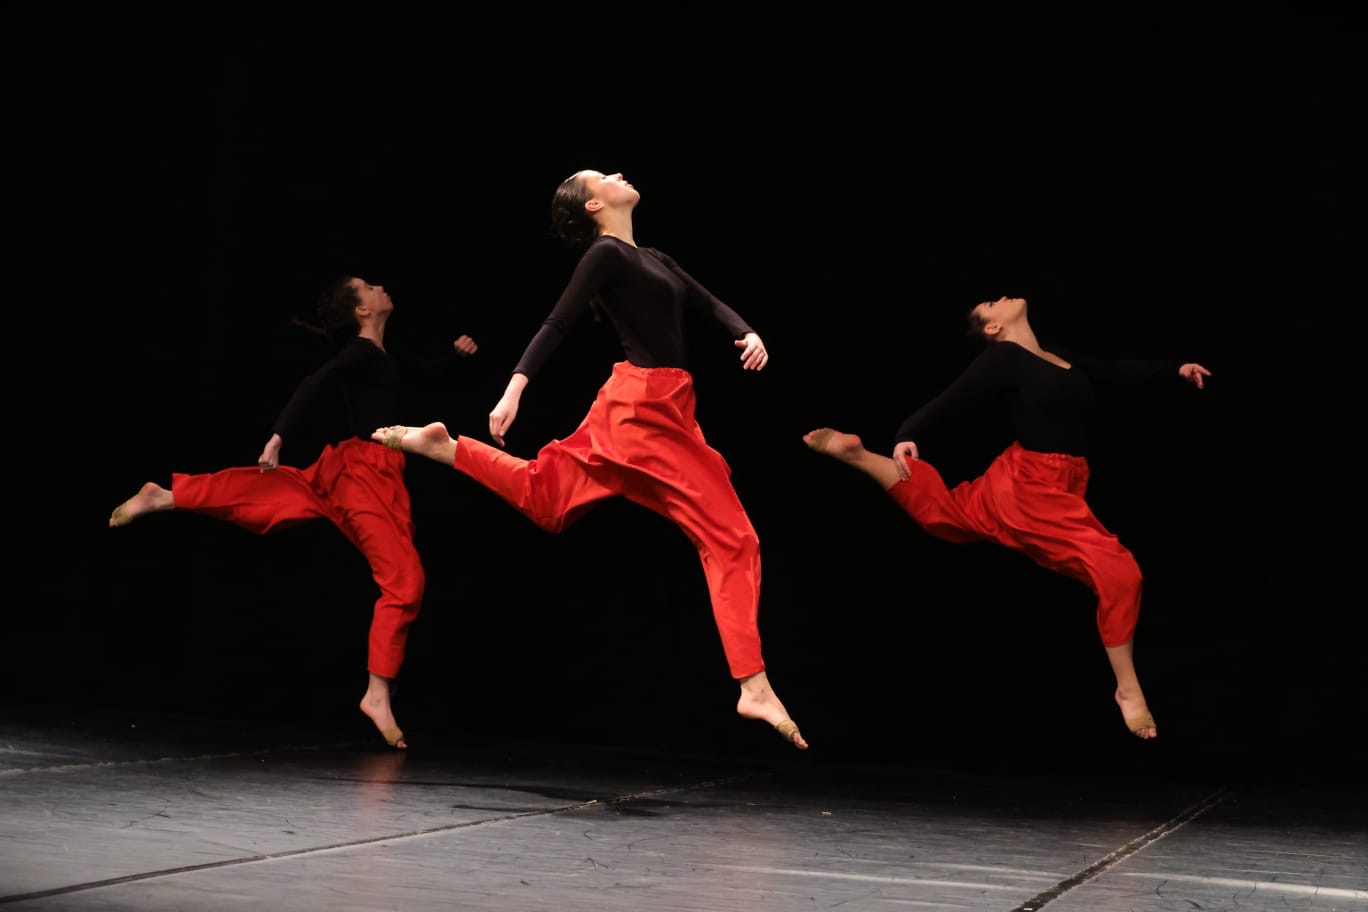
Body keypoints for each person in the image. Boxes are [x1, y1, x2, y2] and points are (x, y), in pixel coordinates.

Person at [373, 169, 808, 750]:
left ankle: (448, 450)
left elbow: (708, 302)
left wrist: (747, 331)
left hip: (656, 407)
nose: (620, 173)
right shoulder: (604, 255)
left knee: (546, 500)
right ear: (595, 204)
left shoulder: (652, 255)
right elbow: (557, 321)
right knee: (733, 540)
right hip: (644, 411)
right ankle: (752, 684)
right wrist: (514, 387)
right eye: (603, 176)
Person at [804, 295, 1212, 740]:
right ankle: (1128, 690)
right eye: (991, 304)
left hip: (1055, 481)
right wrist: (907, 433)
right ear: (992, 328)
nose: (1001, 298)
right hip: (1031, 486)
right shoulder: (1003, 358)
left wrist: (1175, 368)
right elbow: (953, 397)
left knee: (950, 516)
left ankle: (859, 456)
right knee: (1120, 573)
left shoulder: (1056, 356)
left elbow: (1112, 369)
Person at [109, 276, 479, 750]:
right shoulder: (362, 353)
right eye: (367, 286)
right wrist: (279, 435)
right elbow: (315, 381)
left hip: (358, 472)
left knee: (271, 497)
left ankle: (167, 496)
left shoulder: (386, 354)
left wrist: (455, 354)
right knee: (405, 581)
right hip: (364, 474)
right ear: (362, 311)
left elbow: (426, 371)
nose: (379, 286)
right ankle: (377, 691)